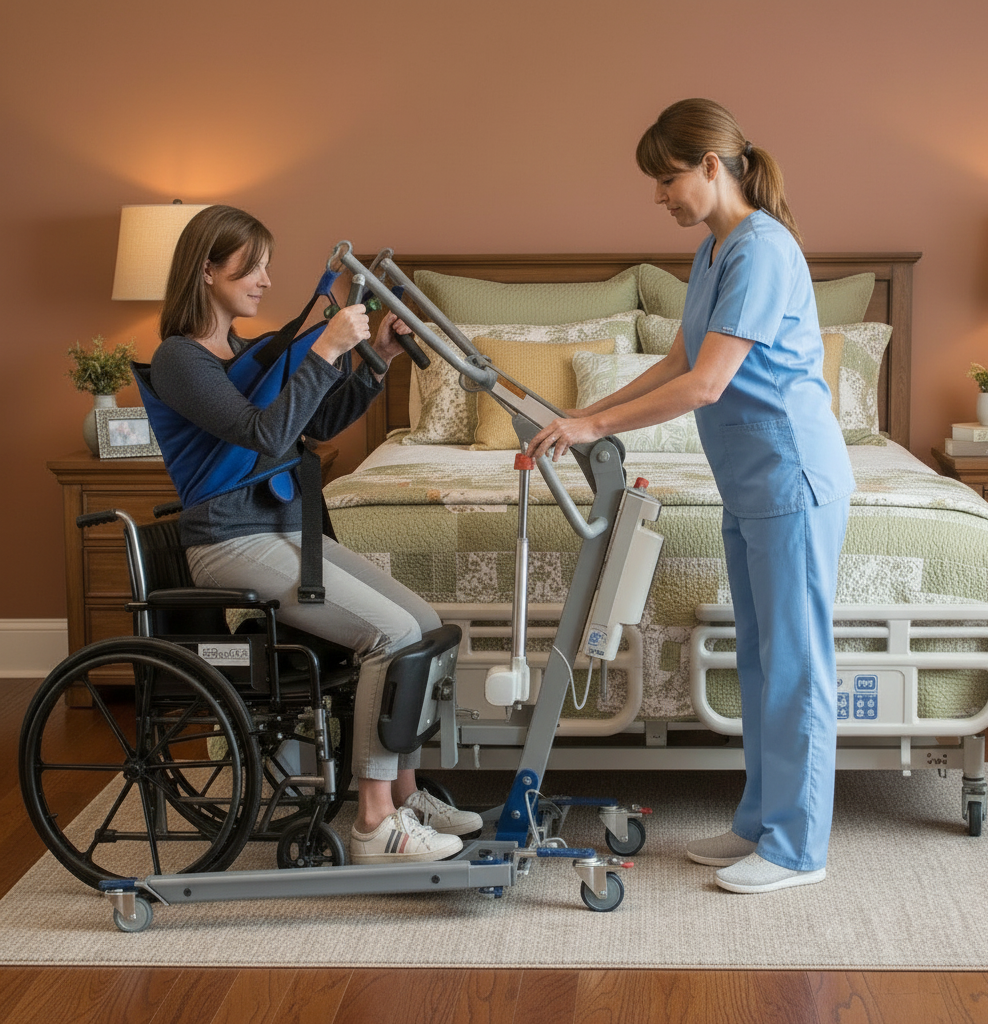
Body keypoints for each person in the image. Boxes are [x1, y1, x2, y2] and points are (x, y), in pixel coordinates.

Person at [526, 99, 854, 894]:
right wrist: (582, 418)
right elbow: (678, 359)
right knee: (760, 658)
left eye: (668, 178)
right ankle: (758, 825)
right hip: (750, 484)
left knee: (797, 665)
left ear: (712, 166)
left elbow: (706, 385)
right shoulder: (715, 252)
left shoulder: (763, 251)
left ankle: (798, 849)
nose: (661, 196)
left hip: (793, 478)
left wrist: (593, 421)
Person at [147, 204, 481, 864]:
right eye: (253, 266)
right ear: (208, 269)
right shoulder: (179, 360)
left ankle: (404, 795)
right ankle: (374, 824)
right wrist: (327, 347)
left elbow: (311, 427)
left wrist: (373, 361)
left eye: (269, 266)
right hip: (230, 543)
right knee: (388, 635)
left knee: (421, 622)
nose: (267, 279)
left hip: (280, 533)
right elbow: (264, 435)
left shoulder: (241, 352)